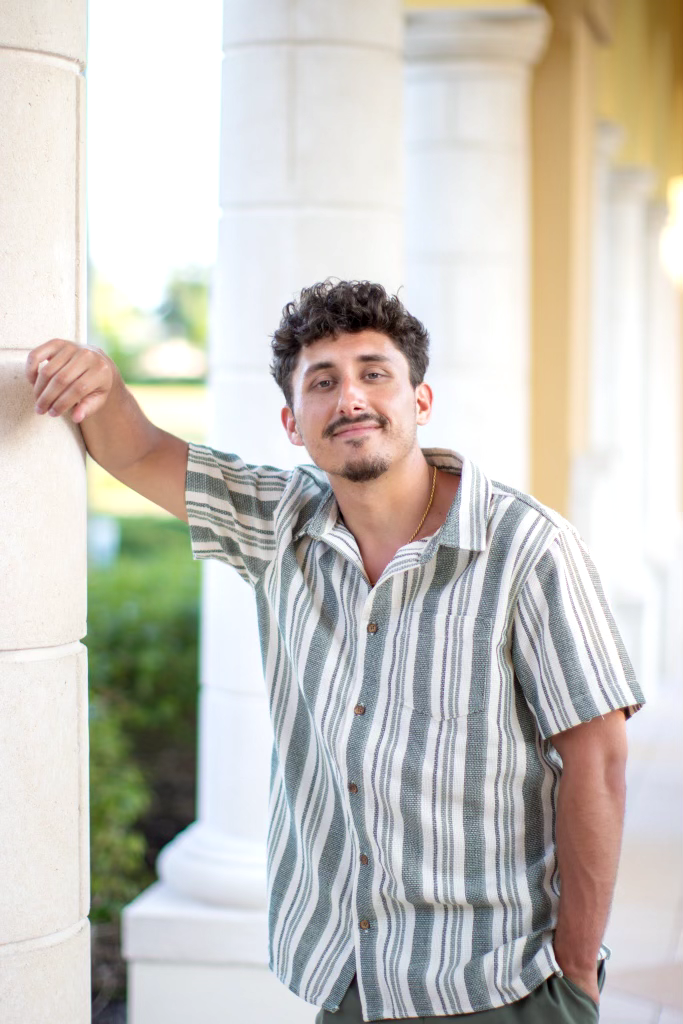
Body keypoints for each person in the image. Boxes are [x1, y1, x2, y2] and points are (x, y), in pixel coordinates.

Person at [27, 280, 644, 1022]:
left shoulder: (527, 548)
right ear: (293, 422)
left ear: (419, 401)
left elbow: (598, 760)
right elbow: (142, 451)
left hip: (494, 981)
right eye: (323, 382)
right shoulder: (278, 521)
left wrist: (574, 977)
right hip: (347, 976)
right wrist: (99, 382)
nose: (350, 397)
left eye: (372, 372)